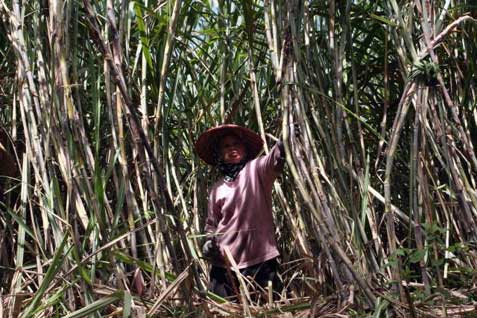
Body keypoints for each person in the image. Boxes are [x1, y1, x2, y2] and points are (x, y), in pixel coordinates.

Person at [194, 124, 285, 301]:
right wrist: (208, 243)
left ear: (245, 148)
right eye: (226, 146)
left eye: (236, 144)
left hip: (260, 258)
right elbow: (212, 225)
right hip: (226, 263)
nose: (232, 148)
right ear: (219, 154)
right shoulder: (217, 189)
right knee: (221, 309)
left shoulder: (256, 170)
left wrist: (284, 143)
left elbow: (274, 159)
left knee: (268, 307)